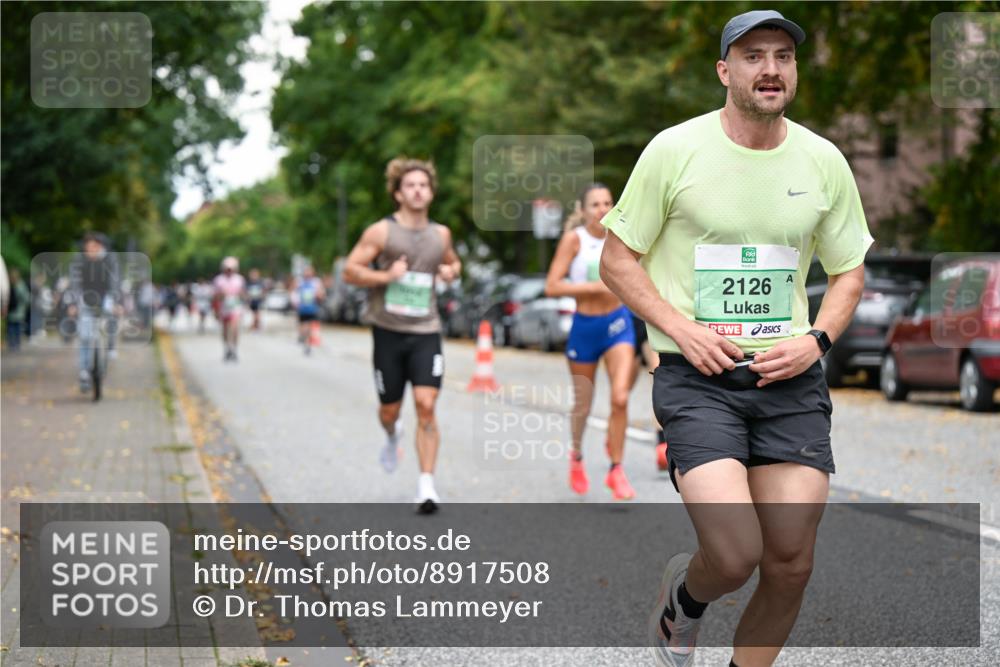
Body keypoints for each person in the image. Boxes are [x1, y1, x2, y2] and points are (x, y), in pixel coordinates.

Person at [598, 10, 872, 667]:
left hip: (791, 380)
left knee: (789, 562)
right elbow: (616, 259)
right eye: (753, 56)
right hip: (698, 378)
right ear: (725, 71)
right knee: (734, 551)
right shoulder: (675, 150)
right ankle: (683, 603)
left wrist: (818, 340)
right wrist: (681, 328)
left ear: (795, 71)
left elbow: (848, 272)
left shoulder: (824, 160)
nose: (770, 68)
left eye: (783, 55)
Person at [343, 157, 461, 514]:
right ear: (397, 193)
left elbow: (455, 264)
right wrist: (386, 276)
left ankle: (426, 486)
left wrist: (448, 271)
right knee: (389, 410)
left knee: (426, 406)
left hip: (426, 331)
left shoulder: (440, 234)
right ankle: (392, 435)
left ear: (431, 192)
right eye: (410, 185)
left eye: (423, 185)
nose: (418, 190)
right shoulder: (381, 232)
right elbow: (350, 271)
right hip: (389, 332)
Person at [544, 183, 636, 500]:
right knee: (583, 404)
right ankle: (578, 456)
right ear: (583, 211)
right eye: (595, 205)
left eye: (608, 203)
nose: (602, 210)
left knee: (620, 397)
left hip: (617, 324)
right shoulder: (575, 240)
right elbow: (552, 286)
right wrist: (595, 288)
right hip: (584, 328)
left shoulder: (623, 238)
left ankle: (616, 469)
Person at [66, 232, 122, 392]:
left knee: (110, 320)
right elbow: (74, 283)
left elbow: (115, 282)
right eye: (88, 247)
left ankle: (110, 348)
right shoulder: (79, 260)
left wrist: (116, 303)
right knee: (84, 336)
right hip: (85, 298)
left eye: (94, 246)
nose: (90, 250)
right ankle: (84, 371)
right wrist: (73, 304)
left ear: (101, 247)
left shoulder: (110, 260)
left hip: (106, 297)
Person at [213, 257, 246, 362]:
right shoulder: (219, 280)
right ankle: (227, 348)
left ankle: (234, 349)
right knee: (225, 329)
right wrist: (221, 297)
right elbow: (215, 296)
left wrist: (241, 295)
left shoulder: (239, 279)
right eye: (227, 269)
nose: (229, 271)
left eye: (231, 269)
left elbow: (243, 294)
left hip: (235, 307)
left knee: (234, 328)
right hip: (224, 307)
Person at [292, 265, 325, 352]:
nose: (308, 273)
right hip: (302, 308)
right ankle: (303, 337)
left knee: (309, 326)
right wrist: (295, 302)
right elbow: (294, 292)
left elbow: (321, 293)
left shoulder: (316, 282)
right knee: (303, 326)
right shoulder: (299, 282)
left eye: (310, 271)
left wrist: (320, 296)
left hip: (312, 308)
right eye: (307, 271)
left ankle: (307, 343)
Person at [5, 269, 30, 351]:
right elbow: (26, 299)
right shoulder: (21, 286)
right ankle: (16, 344)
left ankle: (11, 344)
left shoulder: (8, 285)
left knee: (11, 328)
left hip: (10, 311)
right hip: (19, 312)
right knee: (17, 329)